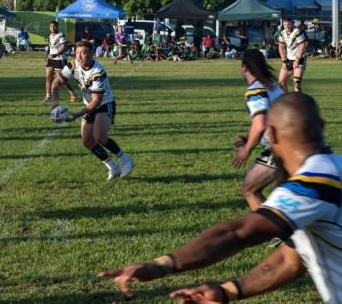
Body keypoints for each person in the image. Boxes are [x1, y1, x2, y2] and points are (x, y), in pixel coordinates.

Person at [99, 93, 341, 304]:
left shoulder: (313, 183)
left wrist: (163, 264)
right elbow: (291, 260)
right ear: (321, 125)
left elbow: (238, 232)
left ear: (273, 135)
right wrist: (226, 292)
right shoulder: (333, 170)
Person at [50, 41, 134, 180]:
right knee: (87, 141)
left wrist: (76, 115)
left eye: (83, 53)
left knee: (99, 136)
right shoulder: (73, 64)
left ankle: (126, 160)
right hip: (89, 105)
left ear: (92, 53)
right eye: (77, 53)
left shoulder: (98, 72)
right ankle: (112, 167)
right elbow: (56, 82)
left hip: (104, 104)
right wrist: (55, 104)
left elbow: (96, 101)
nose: (79, 57)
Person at [232, 49, 284, 214]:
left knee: (249, 189)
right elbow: (271, 120)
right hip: (295, 144)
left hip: (280, 148)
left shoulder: (255, 90)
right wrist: (250, 138)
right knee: (283, 196)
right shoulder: (273, 86)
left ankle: (280, 234)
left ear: (244, 68)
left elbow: (260, 124)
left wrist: (247, 150)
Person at [43, 21, 77, 103]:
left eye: (54, 26)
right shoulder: (50, 35)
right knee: (48, 77)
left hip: (60, 59)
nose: (52, 28)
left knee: (61, 79)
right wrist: (47, 55)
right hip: (51, 59)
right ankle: (48, 96)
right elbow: (50, 47)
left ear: (57, 27)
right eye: (51, 26)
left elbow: (64, 47)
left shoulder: (61, 35)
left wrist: (56, 54)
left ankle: (73, 92)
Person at [277, 17, 308, 93]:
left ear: (292, 24)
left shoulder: (297, 32)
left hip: (299, 59)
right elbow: (281, 46)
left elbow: (302, 45)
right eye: (285, 24)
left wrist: (297, 60)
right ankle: (287, 100)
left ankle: (298, 102)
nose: (287, 26)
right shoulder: (282, 33)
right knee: (281, 82)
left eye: (289, 24)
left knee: (296, 82)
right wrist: (284, 60)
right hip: (288, 59)